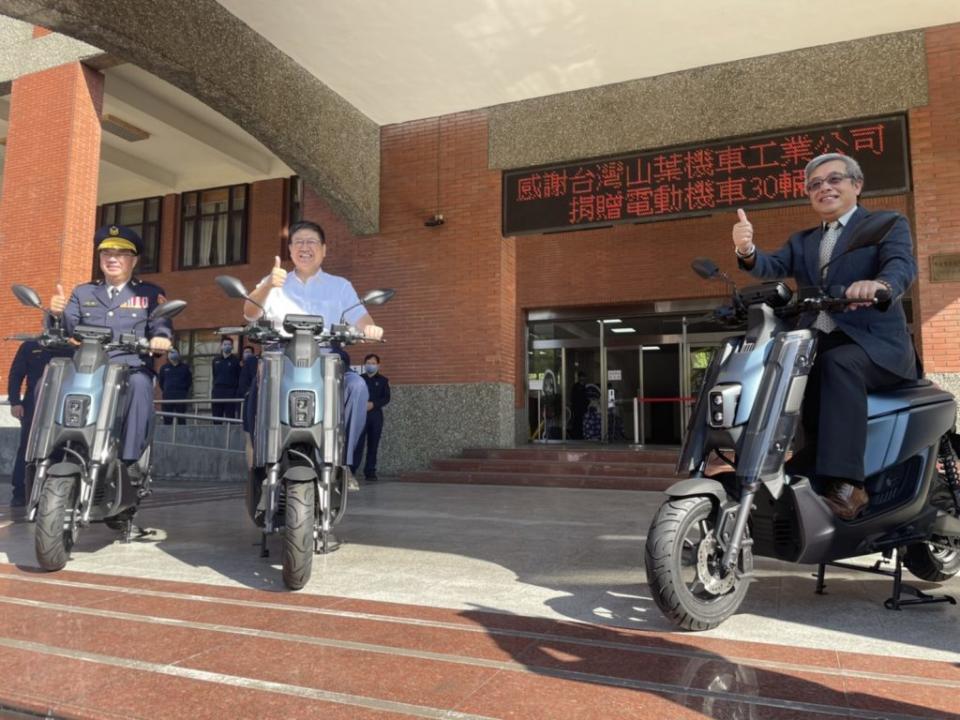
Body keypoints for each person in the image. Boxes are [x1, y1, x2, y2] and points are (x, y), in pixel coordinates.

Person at [732, 153, 917, 520]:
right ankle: (800, 464)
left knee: (837, 362)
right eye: (815, 184)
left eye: (834, 180)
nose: (824, 188)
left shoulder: (885, 225)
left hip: (875, 347)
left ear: (856, 185)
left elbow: (900, 266)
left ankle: (849, 484)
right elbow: (772, 266)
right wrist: (747, 251)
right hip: (820, 341)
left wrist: (879, 285)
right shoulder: (803, 241)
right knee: (785, 370)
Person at [242, 219, 383, 479]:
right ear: (290, 249)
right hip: (281, 361)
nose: (305, 247)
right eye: (299, 242)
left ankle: (343, 464)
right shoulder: (274, 282)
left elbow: (361, 319)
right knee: (255, 394)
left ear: (324, 249)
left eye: (311, 242)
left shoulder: (340, 286)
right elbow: (250, 313)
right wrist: (267, 285)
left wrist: (370, 330)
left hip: (328, 362)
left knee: (358, 387)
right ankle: (260, 466)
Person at [50, 224, 173, 465]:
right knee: (52, 379)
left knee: (140, 384)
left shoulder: (149, 293)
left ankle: (129, 461)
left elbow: (161, 323)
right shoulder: (83, 292)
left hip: (129, 367)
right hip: (88, 367)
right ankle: (48, 452)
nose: (112, 259)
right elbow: (67, 328)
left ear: (134, 261)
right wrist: (55, 313)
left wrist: (162, 338)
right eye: (107, 253)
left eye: (121, 254)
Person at [6, 339, 68, 506]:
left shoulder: (72, 346)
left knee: (59, 447)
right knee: (28, 447)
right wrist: (15, 402)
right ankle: (20, 492)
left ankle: (51, 491)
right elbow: (16, 374)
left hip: (63, 405)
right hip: (33, 404)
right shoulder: (31, 346)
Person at [354, 353, 391, 481]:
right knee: (358, 444)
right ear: (365, 365)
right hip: (360, 415)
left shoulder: (383, 380)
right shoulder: (358, 379)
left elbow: (386, 398)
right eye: (368, 363)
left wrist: (374, 404)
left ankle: (370, 471)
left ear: (378, 365)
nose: (371, 365)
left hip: (375, 416)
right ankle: (352, 469)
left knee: (373, 445)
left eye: (373, 363)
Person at [158, 349, 192, 425]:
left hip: (181, 396)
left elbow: (189, 382)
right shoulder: (164, 368)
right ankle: (167, 436)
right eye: (170, 352)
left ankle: (181, 436)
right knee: (167, 420)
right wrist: (167, 390)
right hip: (168, 397)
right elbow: (161, 382)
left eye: (174, 352)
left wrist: (183, 391)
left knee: (181, 419)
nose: (171, 354)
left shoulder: (185, 368)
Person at [211, 339, 241, 422]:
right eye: (225, 344)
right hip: (217, 391)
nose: (227, 346)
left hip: (230, 392)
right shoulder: (215, 360)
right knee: (216, 417)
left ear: (232, 347)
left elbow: (238, 376)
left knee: (230, 417)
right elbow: (214, 374)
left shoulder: (236, 360)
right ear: (221, 346)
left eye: (229, 344)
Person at [570, 371, 588, 440]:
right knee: (577, 422)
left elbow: (586, 398)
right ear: (579, 377)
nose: (583, 378)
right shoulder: (576, 386)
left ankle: (581, 436)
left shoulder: (585, 386)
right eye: (582, 377)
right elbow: (573, 398)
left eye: (584, 377)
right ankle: (576, 436)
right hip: (577, 408)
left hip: (583, 408)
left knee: (582, 422)